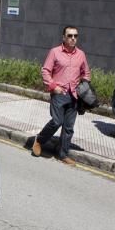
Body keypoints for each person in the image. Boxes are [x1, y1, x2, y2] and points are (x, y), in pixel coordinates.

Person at [31, 25, 90, 164]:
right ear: (63, 37)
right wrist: (53, 86)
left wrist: (84, 86)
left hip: (74, 95)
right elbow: (45, 70)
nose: (73, 38)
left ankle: (62, 154)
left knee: (68, 127)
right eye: (70, 36)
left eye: (75, 36)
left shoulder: (81, 54)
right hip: (59, 93)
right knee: (57, 121)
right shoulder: (55, 52)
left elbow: (86, 72)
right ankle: (39, 140)